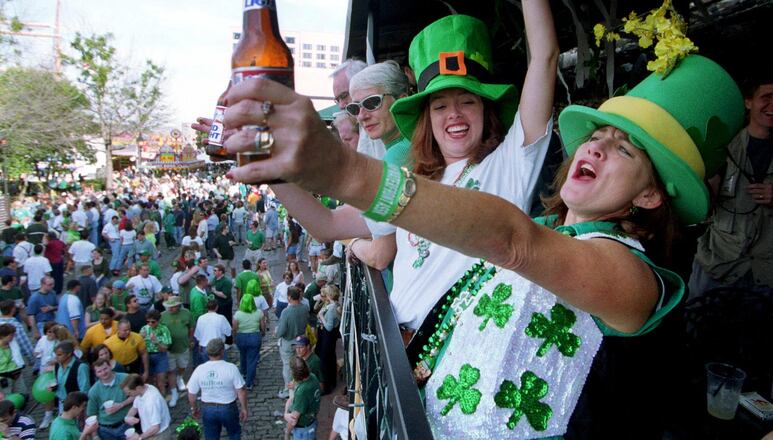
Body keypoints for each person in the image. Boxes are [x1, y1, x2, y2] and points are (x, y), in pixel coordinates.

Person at [220, 2, 745, 437]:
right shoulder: (546, 226)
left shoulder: (635, 275)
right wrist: (271, 169)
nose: (600, 148)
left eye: (625, 151)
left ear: (652, 196)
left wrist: (342, 169)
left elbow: (514, 240)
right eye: (597, 136)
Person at [690, 70, 773, 303]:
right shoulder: (723, 146)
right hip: (719, 263)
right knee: (703, 328)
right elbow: (705, 205)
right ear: (748, 102)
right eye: (767, 97)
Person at [187, 338, 248, 440]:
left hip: (208, 408)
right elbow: (241, 390)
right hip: (227, 407)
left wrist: (194, 408)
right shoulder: (231, 368)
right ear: (222, 351)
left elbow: (191, 394)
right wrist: (244, 408)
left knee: (211, 437)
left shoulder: (200, 369)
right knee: (234, 433)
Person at [276, 287, 309, 399]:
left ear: (289, 297)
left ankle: (288, 389)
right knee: (299, 363)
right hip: (300, 340)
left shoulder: (286, 312)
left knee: (287, 366)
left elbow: (281, 331)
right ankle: (299, 385)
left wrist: (276, 333)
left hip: (288, 342)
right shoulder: (304, 308)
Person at [87, 358, 132, 440]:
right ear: (96, 374)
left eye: (105, 369)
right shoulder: (93, 391)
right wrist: (95, 436)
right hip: (105, 430)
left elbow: (137, 395)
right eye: (99, 371)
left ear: (110, 366)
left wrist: (121, 405)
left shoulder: (125, 378)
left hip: (125, 424)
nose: (103, 373)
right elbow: (92, 414)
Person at [159, 296, 191, 407]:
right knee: (171, 370)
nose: (171, 309)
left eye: (173, 307)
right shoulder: (162, 316)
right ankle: (174, 393)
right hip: (169, 349)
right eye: (169, 307)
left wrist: (191, 340)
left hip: (183, 346)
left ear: (178, 306)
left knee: (183, 365)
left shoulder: (186, 313)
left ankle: (180, 378)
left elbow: (190, 327)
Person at [121, 374, 171, 439]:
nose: (128, 395)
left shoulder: (152, 401)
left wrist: (139, 438)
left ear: (138, 388)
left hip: (159, 436)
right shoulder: (144, 389)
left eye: (129, 393)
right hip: (150, 433)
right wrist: (127, 417)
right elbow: (135, 407)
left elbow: (155, 427)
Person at [232, 294, 265, 390]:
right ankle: (249, 382)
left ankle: (244, 373)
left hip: (241, 337)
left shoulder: (238, 314)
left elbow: (234, 328)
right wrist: (262, 333)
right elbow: (262, 326)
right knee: (252, 359)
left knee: (243, 355)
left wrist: (234, 338)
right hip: (254, 337)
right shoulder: (259, 312)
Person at [283, 356, 320, 440]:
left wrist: (287, 433)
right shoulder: (312, 377)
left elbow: (293, 419)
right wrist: (296, 386)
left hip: (303, 431)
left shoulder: (302, 392)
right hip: (311, 422)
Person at [139, 309, 171, 396]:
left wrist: (157, 342)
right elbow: (138, 345)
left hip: (160, 356)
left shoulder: (164, 329)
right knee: (149, 382)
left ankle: (162, 399)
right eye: (148, 321)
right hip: (147, 356)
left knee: (161, 382)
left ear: (158, 320)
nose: (150, 324)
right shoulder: (144, 329)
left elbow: (165, 348)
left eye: (153, 322)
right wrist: (140, 338)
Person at [316, 284, 341, 394]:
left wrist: (321, 316)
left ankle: (326, 386)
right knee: (329, 359)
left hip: (328, 337)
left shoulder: (331, 309)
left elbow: (329, 327)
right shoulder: (333, 305)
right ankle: (331, 382)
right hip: (327, 337)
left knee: (325, 361)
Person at [53, 341, 90, 412]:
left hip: (75, 406)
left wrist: (80, 409)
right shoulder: (57, 366)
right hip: (62, 403)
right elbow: (59, 382)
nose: (56, 357)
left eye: (59, 355)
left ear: (69, 354)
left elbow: (85, 390)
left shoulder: (80, 367)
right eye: (56, 355)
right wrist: (54, 388)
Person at [193, 300, 231, 366]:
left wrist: (199, 345)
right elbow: (228, 332)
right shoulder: (221, 318)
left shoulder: (200, 318)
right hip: (218, 347)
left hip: (205, 346)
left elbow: (197, 335)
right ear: (217, 307)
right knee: (221, 368)